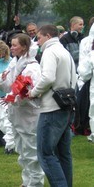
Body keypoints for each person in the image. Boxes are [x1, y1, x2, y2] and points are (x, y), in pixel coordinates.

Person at [28, 25, 76, 187]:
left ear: (48, 36)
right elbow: (74, 78)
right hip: (67, 106)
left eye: (39, 38)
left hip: (52, 107)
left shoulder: (49, 51)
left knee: (45, 153)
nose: (38, 41)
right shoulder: (65, 52)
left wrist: (34, 92)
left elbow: (48, 77)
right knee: (63, 154)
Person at [0, 33, 44, 187]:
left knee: (31, 149)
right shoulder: (14, 63)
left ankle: (36, 182)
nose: (11, 47)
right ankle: (27, 181)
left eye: (15, 45)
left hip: (29, 115)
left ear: (24, 47)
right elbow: (9, 85)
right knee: (21, 149)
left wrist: (17, 97)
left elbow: (34, 93)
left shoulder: (33, 67)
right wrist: (2, 81)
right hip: (17, 114)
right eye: (11, 44)